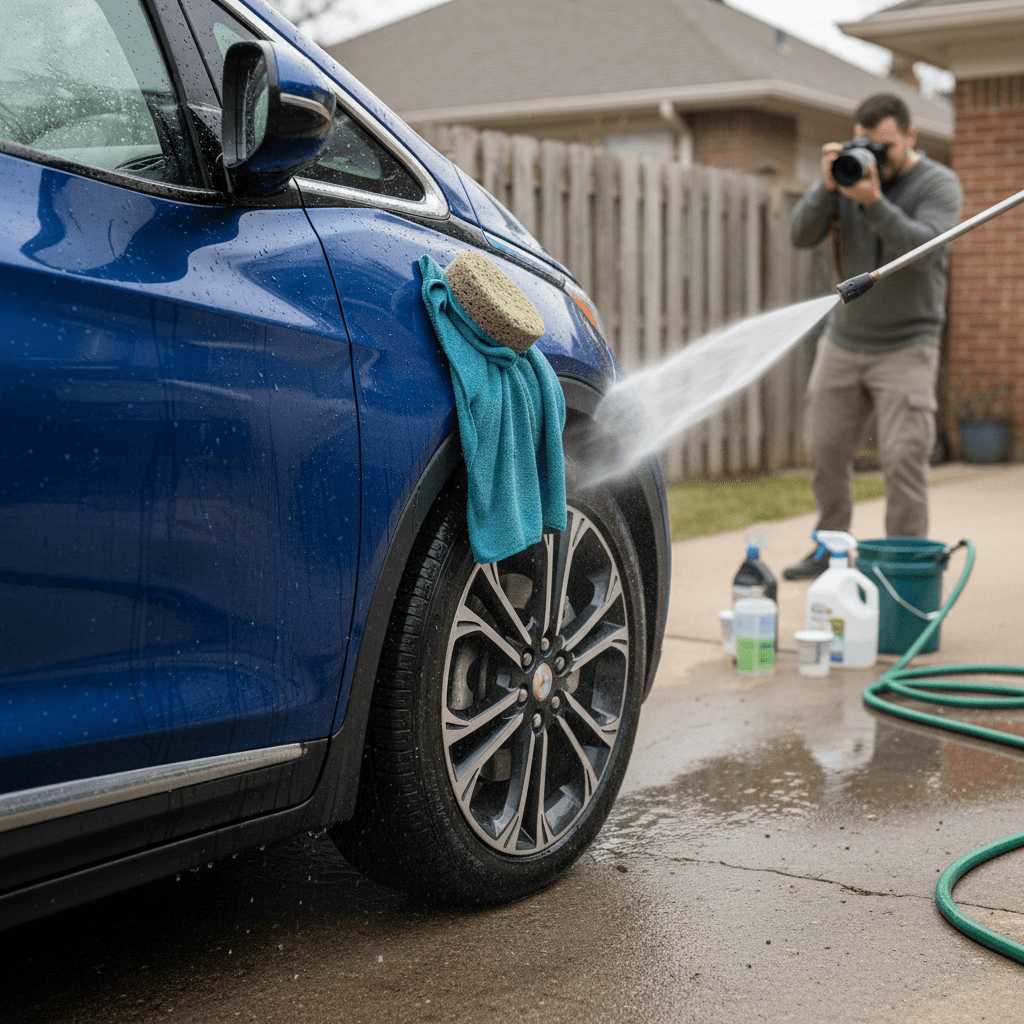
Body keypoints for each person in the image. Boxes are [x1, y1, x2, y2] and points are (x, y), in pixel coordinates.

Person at [784, 93, 963, 581]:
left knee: (904, 459)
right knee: (824, 450)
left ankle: (901, 565)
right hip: (844, 340)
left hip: (909, 343)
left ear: (910, 136)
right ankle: (829, 549)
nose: (875, 158)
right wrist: (826, 187)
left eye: (886, 147)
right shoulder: (847, 175)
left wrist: (875, 203)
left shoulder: (939, 184)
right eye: (867, 145)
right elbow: (799, 234)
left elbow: (925, 251)